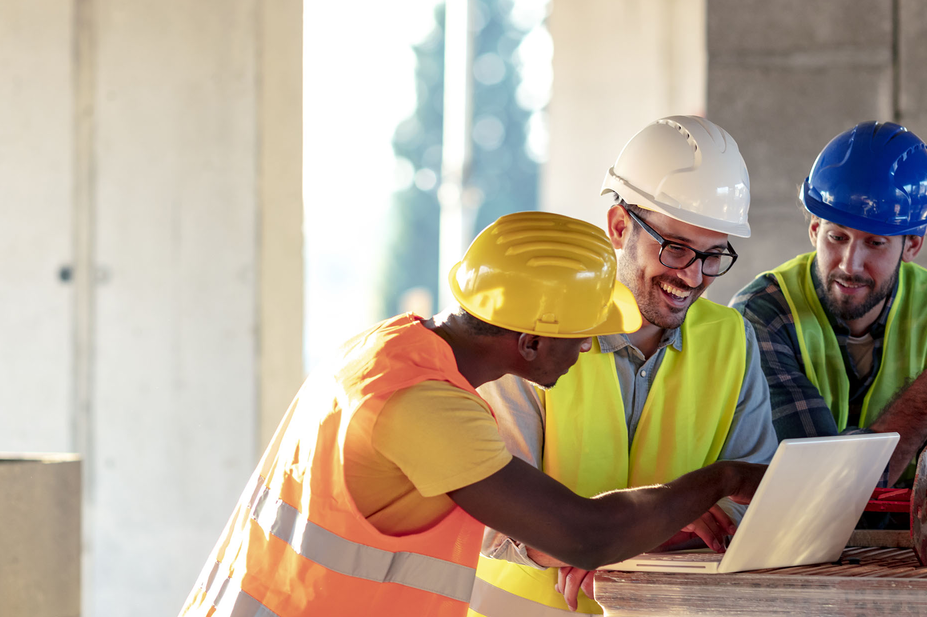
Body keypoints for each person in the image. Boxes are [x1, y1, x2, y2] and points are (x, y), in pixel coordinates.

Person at [178, 211, 767, 617]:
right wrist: (724, 478)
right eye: (583, 336)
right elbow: (585, 534)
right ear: (532, 342)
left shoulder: (390, 351)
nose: (590, 349)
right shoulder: (424, 408)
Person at [472, 116, 779, 616]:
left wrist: (635, 543)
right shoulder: (533, 331)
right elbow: (494, 520)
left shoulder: (731, 339)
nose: (692, 275)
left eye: (713, 254)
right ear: (619, 227)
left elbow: (748, 502)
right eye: (675, 247)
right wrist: (624, 534)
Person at [731, 121, 927, 499]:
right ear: (813, 229)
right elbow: (820, 492)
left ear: (912, 246)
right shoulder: (763, 314)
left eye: (875, 243)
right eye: (836, 237)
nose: (849, 264)